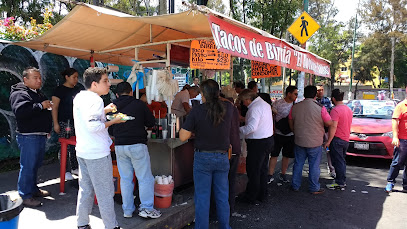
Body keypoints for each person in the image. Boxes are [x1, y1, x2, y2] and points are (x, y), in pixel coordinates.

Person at [180, 79, 240, 229]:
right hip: (222, 157)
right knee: (222, 196)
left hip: (203, 158)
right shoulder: (228, 107)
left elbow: (183, 137)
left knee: (202, 197)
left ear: (203, 94)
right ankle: (225, 226)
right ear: (218, 92)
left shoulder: (197, 110)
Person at [73, 67, 124, 229]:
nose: (109, 84)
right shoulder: (96, 100)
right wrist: (114, 121)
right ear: (94, 84)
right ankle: (111, 226)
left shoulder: (80, 96)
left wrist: (106, 110)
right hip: (97, 153)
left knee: (86, 189)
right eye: (105, 81)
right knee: (105, 192)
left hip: (83, 151)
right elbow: (94, 126)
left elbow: (87, 117)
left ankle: (82, 223)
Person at [109, 82, 162, 219]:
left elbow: (109, 128)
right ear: (131, 92)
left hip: (120, 146)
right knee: (144, 178)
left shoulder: (112, 106)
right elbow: (151, 122)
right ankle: (146, 208)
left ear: (117, 94)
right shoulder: (139, 104)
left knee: (126, 179)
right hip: (137, 145)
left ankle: (127, 210)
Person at [10, 67, 52, 207]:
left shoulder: (37, 93)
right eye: (35, 77)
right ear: (25, 80)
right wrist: (41, 106)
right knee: (28, 166)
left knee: (35, 165)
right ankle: (25, 195)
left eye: (39, 77)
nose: (39, 80)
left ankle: (33, 189)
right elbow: (21, 112)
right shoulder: (20, 93)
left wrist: (46, 129)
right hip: (28, 136)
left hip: (38, 135)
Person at [288, 85, 332, 194]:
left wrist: (295, 131)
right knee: (314, 165)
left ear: (304, 94)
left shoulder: (295, 107)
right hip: (315, 141)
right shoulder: (320, 108)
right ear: (315, 95)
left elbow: (290, 120)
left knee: (298, 163)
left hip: (299, 140)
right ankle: (314, 187)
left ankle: (295, 185)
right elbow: (329, 123)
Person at [238, 89, 274, 204]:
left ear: (248, 99)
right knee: (262, 169)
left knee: (253, 170)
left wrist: (237, 131)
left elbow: (251, 127)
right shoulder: (265, 104)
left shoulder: (255, 108)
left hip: (258, 143)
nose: (243, 103)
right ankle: (262, 193)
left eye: (243, 101)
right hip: (267, 140)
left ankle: (251, 196)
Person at [52, 68, 81, 180]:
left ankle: (74, 167)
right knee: (64, 146)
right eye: (74, 77)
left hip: (76, 122)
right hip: (64, 122)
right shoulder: (59, 90)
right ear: (67, 77)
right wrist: (56, 123)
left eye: (77, 77)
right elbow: (55, 107)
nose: (76, 79)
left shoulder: (77, 90)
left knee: (75, 146)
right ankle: (64, 171)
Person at [268, 86, 298, 184]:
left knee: (287, 155)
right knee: (274, 154)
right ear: (289, 93)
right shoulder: (277, 103)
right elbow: (271, 117)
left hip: (290, 134)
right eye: (295, 94)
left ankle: (283, 174)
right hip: (278, 133)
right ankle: (270, 174)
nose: (296, 96)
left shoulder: (296, 105)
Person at [324, 89, 353, 190]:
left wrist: (328, 141)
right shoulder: (348, 109)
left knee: (337, 162)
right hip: (346, 139)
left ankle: (339, 182)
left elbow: (333, 126)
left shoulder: (335, 110)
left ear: (333, 98)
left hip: (337, 139)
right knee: (342, 161)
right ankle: (341, 180)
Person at [385, 88, 407, 193]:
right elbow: (395, 122)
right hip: (402, 140)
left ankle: (406, 185)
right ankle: (390, 182)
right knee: (397, 162)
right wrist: (395, 137)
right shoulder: (401, 106)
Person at [317, 84, 335, 178]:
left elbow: (329, 114)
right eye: (318, 90)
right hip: (316, 131)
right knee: (316, 150)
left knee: (328, 149)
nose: (320, 92)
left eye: (322, 90)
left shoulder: (326, 100)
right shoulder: (313, 101)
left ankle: (331, 168)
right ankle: (315, 169)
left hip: (326, 131)